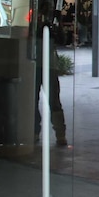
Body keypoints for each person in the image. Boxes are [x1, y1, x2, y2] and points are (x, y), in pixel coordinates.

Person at [34, 10, 67, 146]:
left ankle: (39, 133)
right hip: (45, 65)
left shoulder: (41, 27)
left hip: (42, 65)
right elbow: (62, 40)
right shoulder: (40, 27)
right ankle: (58, 134)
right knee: (52, 102)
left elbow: (62, 40)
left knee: (51, 101)